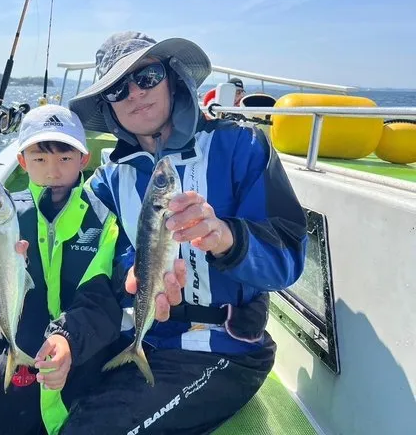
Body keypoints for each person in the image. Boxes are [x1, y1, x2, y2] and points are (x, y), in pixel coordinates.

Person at [61, 31, 308, 434]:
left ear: (173, 77)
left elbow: (288, 260)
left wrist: (226, 238)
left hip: (221, 349)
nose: (135, 94)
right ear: (108, 105)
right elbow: (81, 249)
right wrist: (128, 272)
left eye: (147, 77)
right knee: (34, 388)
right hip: (139, 333)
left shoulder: (240, 145)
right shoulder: (109, 178)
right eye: (118, 89)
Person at [0, 104, 122, 435]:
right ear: (22, 162)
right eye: (39, 159)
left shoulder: (104, 219)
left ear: (84, 160)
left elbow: (100, 295)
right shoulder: (10, 214)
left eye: (64, 158)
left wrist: (69, 341)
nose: (53, 171)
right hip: (20, 333)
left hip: (83, 341)